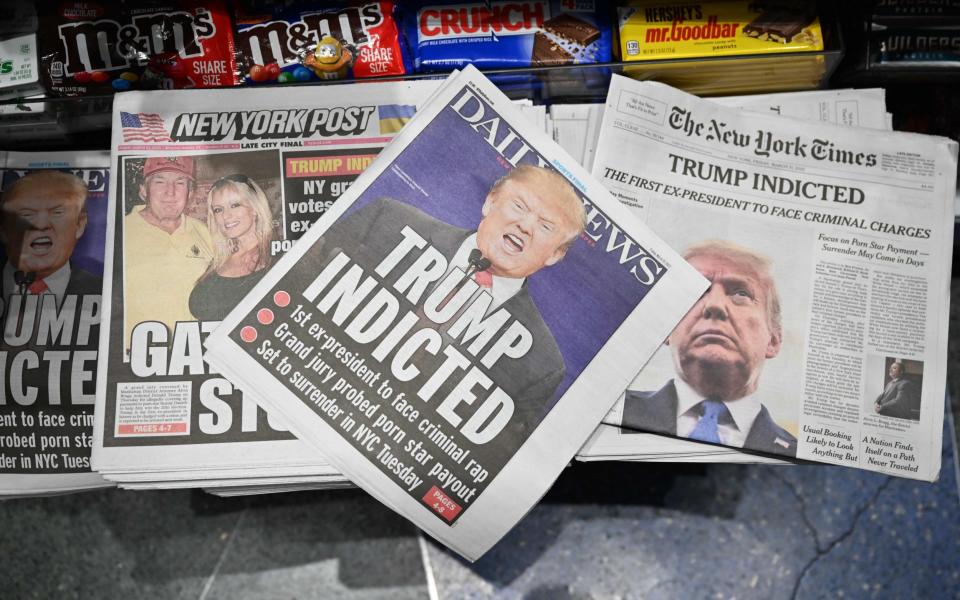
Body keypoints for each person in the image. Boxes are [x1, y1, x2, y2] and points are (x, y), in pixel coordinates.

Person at [314, 164, 585, 457]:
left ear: (556, 254)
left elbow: (484, 458)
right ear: (491, 201)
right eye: (519, 206)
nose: (526, 226)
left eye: (545, 226)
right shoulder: (388, 219)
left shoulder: (542, 365)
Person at [622, 240, 798, 457]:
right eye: (696, 291)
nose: (714, 305)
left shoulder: (796, 456)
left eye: (741, 293)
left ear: (773, 341)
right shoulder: (615, 411)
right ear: (667, 327)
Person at [124, 156, 212, 348]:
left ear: (190, 194)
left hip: (193, 352)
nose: (170, 192)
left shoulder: (205, 232)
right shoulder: (121, 231)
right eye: (160, 181)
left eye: (180, 183)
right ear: (143, 190)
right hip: (136, 356)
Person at [0, 170, 101, 303]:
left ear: (79, 225)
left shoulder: (105, 292)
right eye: (27, 214)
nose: (41, 225)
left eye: (57, 212)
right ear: (4, 229)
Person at [189, 174, 275, 321]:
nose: (226, 216)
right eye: (218, 210)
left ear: (254, 208)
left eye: (235, 205)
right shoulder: (218, 261)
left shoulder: (276, 258)